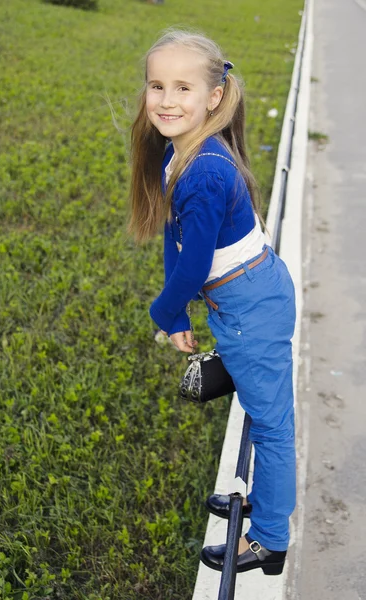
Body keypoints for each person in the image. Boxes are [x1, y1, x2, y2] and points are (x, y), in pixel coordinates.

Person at [128, 28, 296, 576]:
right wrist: (176, 311)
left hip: (251, 308)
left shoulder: (203, 170)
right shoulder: (178, 156)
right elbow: (175, 244)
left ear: (214, 98)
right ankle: (259, 505)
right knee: (257, 406)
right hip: (243, 302)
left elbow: (194, 266)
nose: (168, 100)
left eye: (182, 87)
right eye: (157, 86)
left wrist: (162, 311)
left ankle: (269, 538)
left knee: (271, 425)